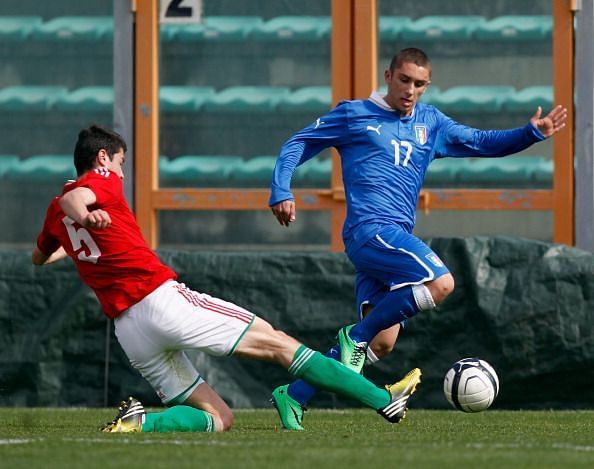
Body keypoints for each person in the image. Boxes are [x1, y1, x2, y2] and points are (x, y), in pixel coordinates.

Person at [32, 124, 422, 434]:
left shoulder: (53, 213)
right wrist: (87, 215)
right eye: (120, 162)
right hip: (162, 303)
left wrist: (77, 238)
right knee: (280, 346)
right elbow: (76, 200)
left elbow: (39, 257)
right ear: (103, 158)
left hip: (129, 331)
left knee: (219, 417)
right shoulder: (100, 182)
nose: (120, 170)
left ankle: (141, 422)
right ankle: (382, 397)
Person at [268, 47, 568, 430]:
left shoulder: (431, 122)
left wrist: (531, 134)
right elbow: (298, 143)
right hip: (370, 231)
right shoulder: (354, 114)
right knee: (440, 283)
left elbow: (481, 141)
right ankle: (354, 336)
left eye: (420, 84)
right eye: (405, 80)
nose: (411, 90)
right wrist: (281, 189)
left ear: (427, 86)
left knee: (382, 343)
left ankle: (294, 395)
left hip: (392, 239)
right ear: (388, 75)